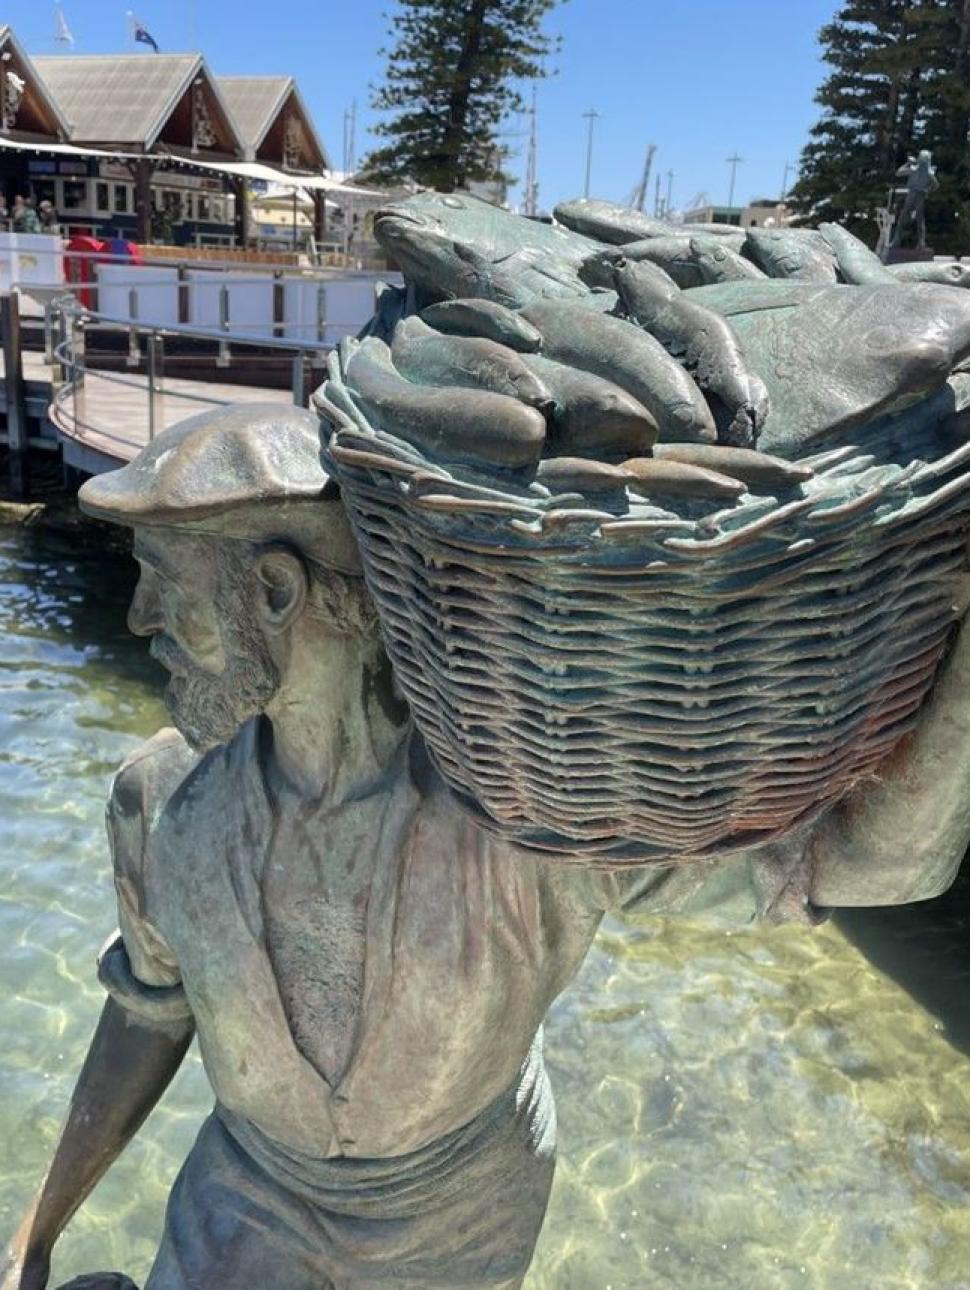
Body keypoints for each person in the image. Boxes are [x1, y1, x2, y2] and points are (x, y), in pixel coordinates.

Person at [3, 403, 970, 1289]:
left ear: (274, 590)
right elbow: (147, 1009)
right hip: (242, 1201)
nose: (139, 621)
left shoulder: (529, 816)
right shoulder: (159, 804)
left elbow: (857, 865)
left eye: (162, 583)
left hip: (458, 1225)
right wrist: (33, 1239)